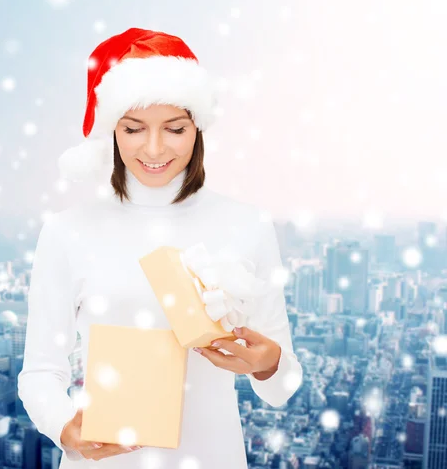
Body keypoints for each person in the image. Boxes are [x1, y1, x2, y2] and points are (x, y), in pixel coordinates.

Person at [17, 27, 303, 467]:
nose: (154, 148)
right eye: (133, 129)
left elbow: (281, 387)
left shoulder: (246, 225)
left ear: (198, 128)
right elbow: (40, 371)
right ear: (111, 130)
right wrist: (63, 425)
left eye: (174, 128)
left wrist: (268, 364)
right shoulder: (67, 231)